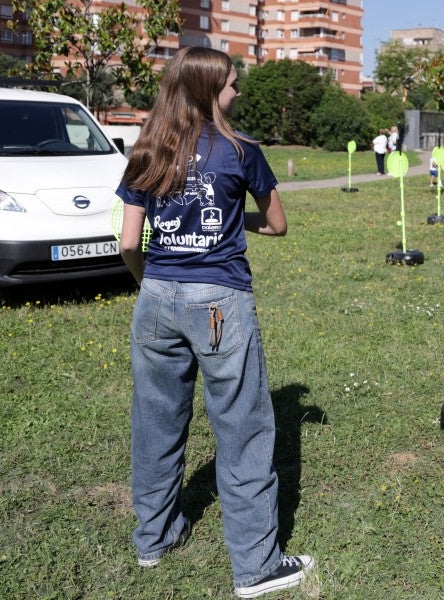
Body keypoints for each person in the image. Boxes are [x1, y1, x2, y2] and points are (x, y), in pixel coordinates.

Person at [115, 46, 314, 598]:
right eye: (231, 84)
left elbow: (130, 242)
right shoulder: (241, 150)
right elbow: (277, 225)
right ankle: (255, 568)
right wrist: (236, 218)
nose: (238, 92)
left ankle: (153, 540)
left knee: (155, 423)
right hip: (219, 302)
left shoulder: (148, 148)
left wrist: (148, 285)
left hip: (155, 296)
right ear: (208, 90)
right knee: (243, 428)